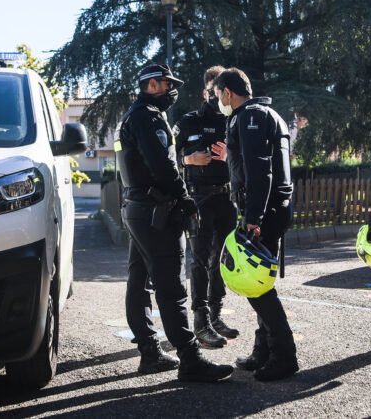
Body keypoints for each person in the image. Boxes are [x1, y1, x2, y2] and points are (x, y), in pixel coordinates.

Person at [116, 63, 233, 383]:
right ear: (152, 85)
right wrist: (185, 199)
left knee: (138, 281)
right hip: (156, 211)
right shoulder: (149, 117)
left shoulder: (129, 116)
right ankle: (191, 360)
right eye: (167, 84)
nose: (172, 90)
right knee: (172, 287)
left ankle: (150, 353)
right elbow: (163, 166)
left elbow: (126, 167)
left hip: (136, 208)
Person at [212, 67, 299, 381]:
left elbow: (260, 170)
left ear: (228, 92)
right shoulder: (266, 114)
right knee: (259, 283)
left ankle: (285, 356)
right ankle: (264, 351)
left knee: (257, 287)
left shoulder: (249, 116)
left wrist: (252, 219)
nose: (217, 100)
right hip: (272, 209)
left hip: (264, 213)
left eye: (217, 94)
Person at [175, 65, 240, 348]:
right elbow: (167, 158)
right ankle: (200, 324)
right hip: (199, 198)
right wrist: (188, 161)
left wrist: (231, 157)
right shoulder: (188, 121)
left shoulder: (235, 119)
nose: (220, 96)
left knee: (221, 260)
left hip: (226, 199)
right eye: (216, 90)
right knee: (199, 261)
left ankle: (216, 316)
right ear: (207, 91)